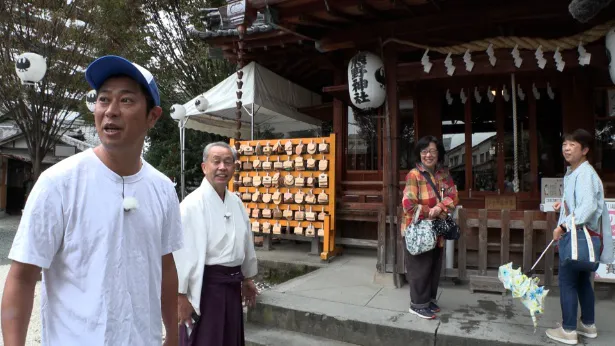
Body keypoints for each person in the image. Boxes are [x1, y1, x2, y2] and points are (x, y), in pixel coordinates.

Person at [1, 55, 183, 346]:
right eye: (102, 99)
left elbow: (166, 267)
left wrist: (173, 336)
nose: (110, 111)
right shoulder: (58, 183)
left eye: (126, 100)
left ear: (153, 116)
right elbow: (22, 277)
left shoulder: (162, 189)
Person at [174, 142, 258, 346]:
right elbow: (180, 255)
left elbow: (246, 242)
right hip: (205, 288)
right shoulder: (191, 205)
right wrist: (181, 296)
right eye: (216, 161)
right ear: (205, 167)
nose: (222, 167)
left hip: (231, 285)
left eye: (228, 162)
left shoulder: (236, 202)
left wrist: (247, 278)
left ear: (234, 168)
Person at [547, 129, 613, 345]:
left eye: (572, 144)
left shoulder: (584, 174)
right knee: (584, 281)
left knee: (567, 281)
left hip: (576, 237)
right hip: (587, 239)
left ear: (585, 150)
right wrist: (563, 206)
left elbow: (587, 208)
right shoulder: (575, 172)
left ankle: (568, 330)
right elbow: (581, 204)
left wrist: (563, 226)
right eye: (565, 143)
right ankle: (588, 325)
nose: (566, 148)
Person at [401, 136, 458, 320]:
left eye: (432, 151)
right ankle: (417, 304)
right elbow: (408, 204)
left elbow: (453, 196)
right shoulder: (414, 175)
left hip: (436, 230)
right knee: (420, 267)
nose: (428, 155)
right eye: (424, 151)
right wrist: (429, 211)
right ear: (419, 154)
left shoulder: (444, 174)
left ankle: (429, 300)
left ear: (438, 153)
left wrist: (440, 208)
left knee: (433, 266)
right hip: (418, 231)